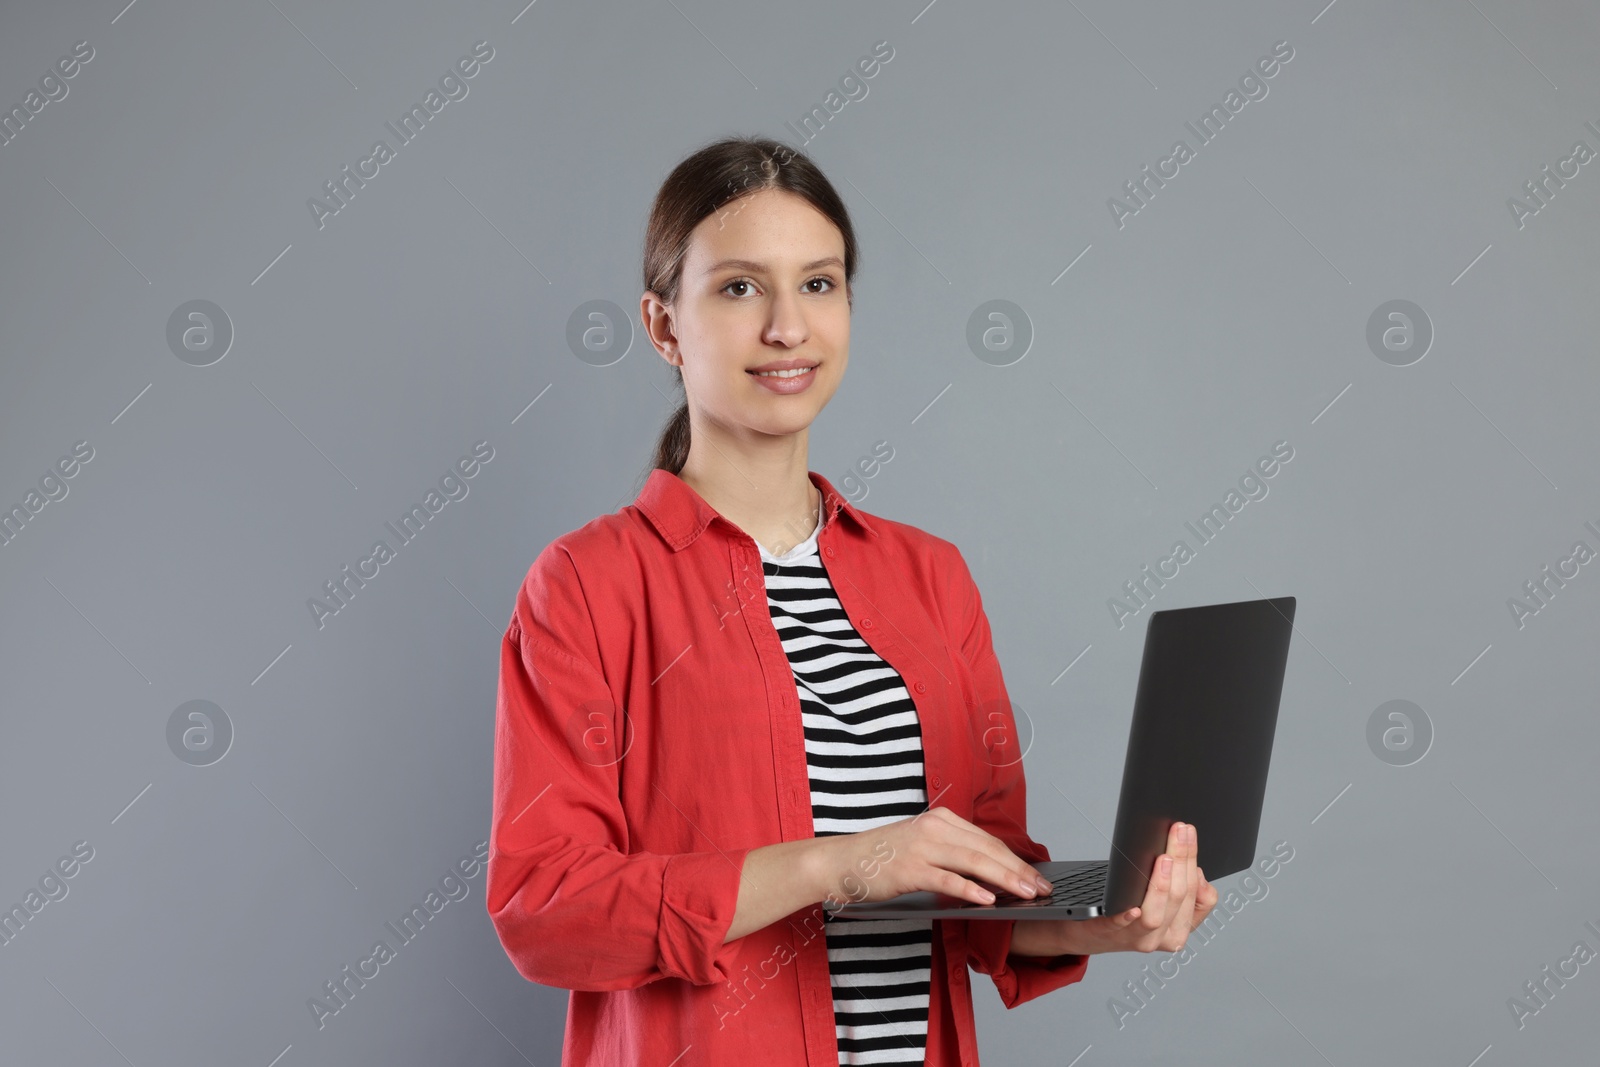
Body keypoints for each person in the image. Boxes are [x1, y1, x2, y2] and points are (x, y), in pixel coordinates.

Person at [486, 135, 1219, 1066]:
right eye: (740, 287)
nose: (788, 327)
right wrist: (838, 865)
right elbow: (548, 909)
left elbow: (978, 891)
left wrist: (1110, 917)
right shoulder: (587, 587)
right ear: (664, 325)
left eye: (820, 284)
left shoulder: (931, 576)